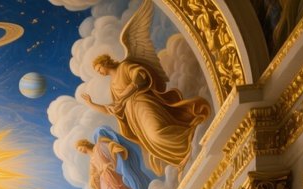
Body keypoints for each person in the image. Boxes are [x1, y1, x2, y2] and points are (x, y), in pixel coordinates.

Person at [79, 0, 210, 175]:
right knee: (152, 140)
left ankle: (189, 141)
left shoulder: (125, 66)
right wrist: (91, 103)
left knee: (157, 133)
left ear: (105, 62)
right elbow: (112, 109)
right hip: (134, 116)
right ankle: (183, 156)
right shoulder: (112, 85)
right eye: (98, 71)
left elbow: (140, 77)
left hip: (143, 104)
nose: (100, 72)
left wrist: (127, 94)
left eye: (98, 68)